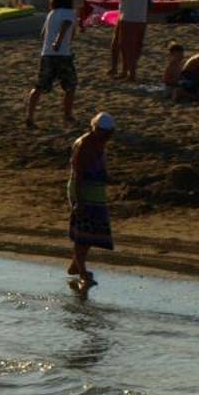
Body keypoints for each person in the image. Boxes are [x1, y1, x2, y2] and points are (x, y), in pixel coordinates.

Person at [66, 112, 115, 295]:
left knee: (91, 231)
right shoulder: (84, 144)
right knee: (84, 233)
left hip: (95, 191)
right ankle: (82, 271)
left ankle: (76, 264)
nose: (104, 135)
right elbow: (78, 174)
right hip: (84, 191)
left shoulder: (100, 143)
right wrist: (79, 200)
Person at [26, 0, 80, 126]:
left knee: (39, 86)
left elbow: (43, 33)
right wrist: (58, 41)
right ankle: (67, 115)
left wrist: (52, 41)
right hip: (62, 54)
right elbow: (66, 25)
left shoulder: (51, 13)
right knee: (70, 85)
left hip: (47, 54)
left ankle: (30, 116)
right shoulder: (70, 12)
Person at [108, 0, 149, 81]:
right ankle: (126, 71)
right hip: (130, 14)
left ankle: (131, 73)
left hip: (133, 15)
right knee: (124, 44)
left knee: (128, 45)